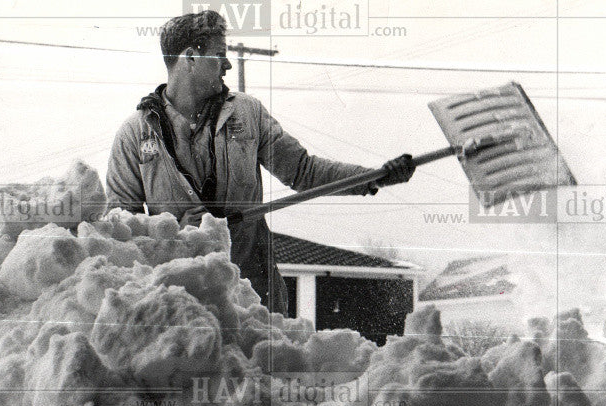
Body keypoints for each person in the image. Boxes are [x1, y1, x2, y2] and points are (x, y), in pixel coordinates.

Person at [105, 10, 415, 315]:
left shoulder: (247, 114)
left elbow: (303, 171)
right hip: (181, 301)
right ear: (190, 58)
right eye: (220, 54)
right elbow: (123, 228)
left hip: (252, 290)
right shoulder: (135, 134)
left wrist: (376, 176)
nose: (227, 64)